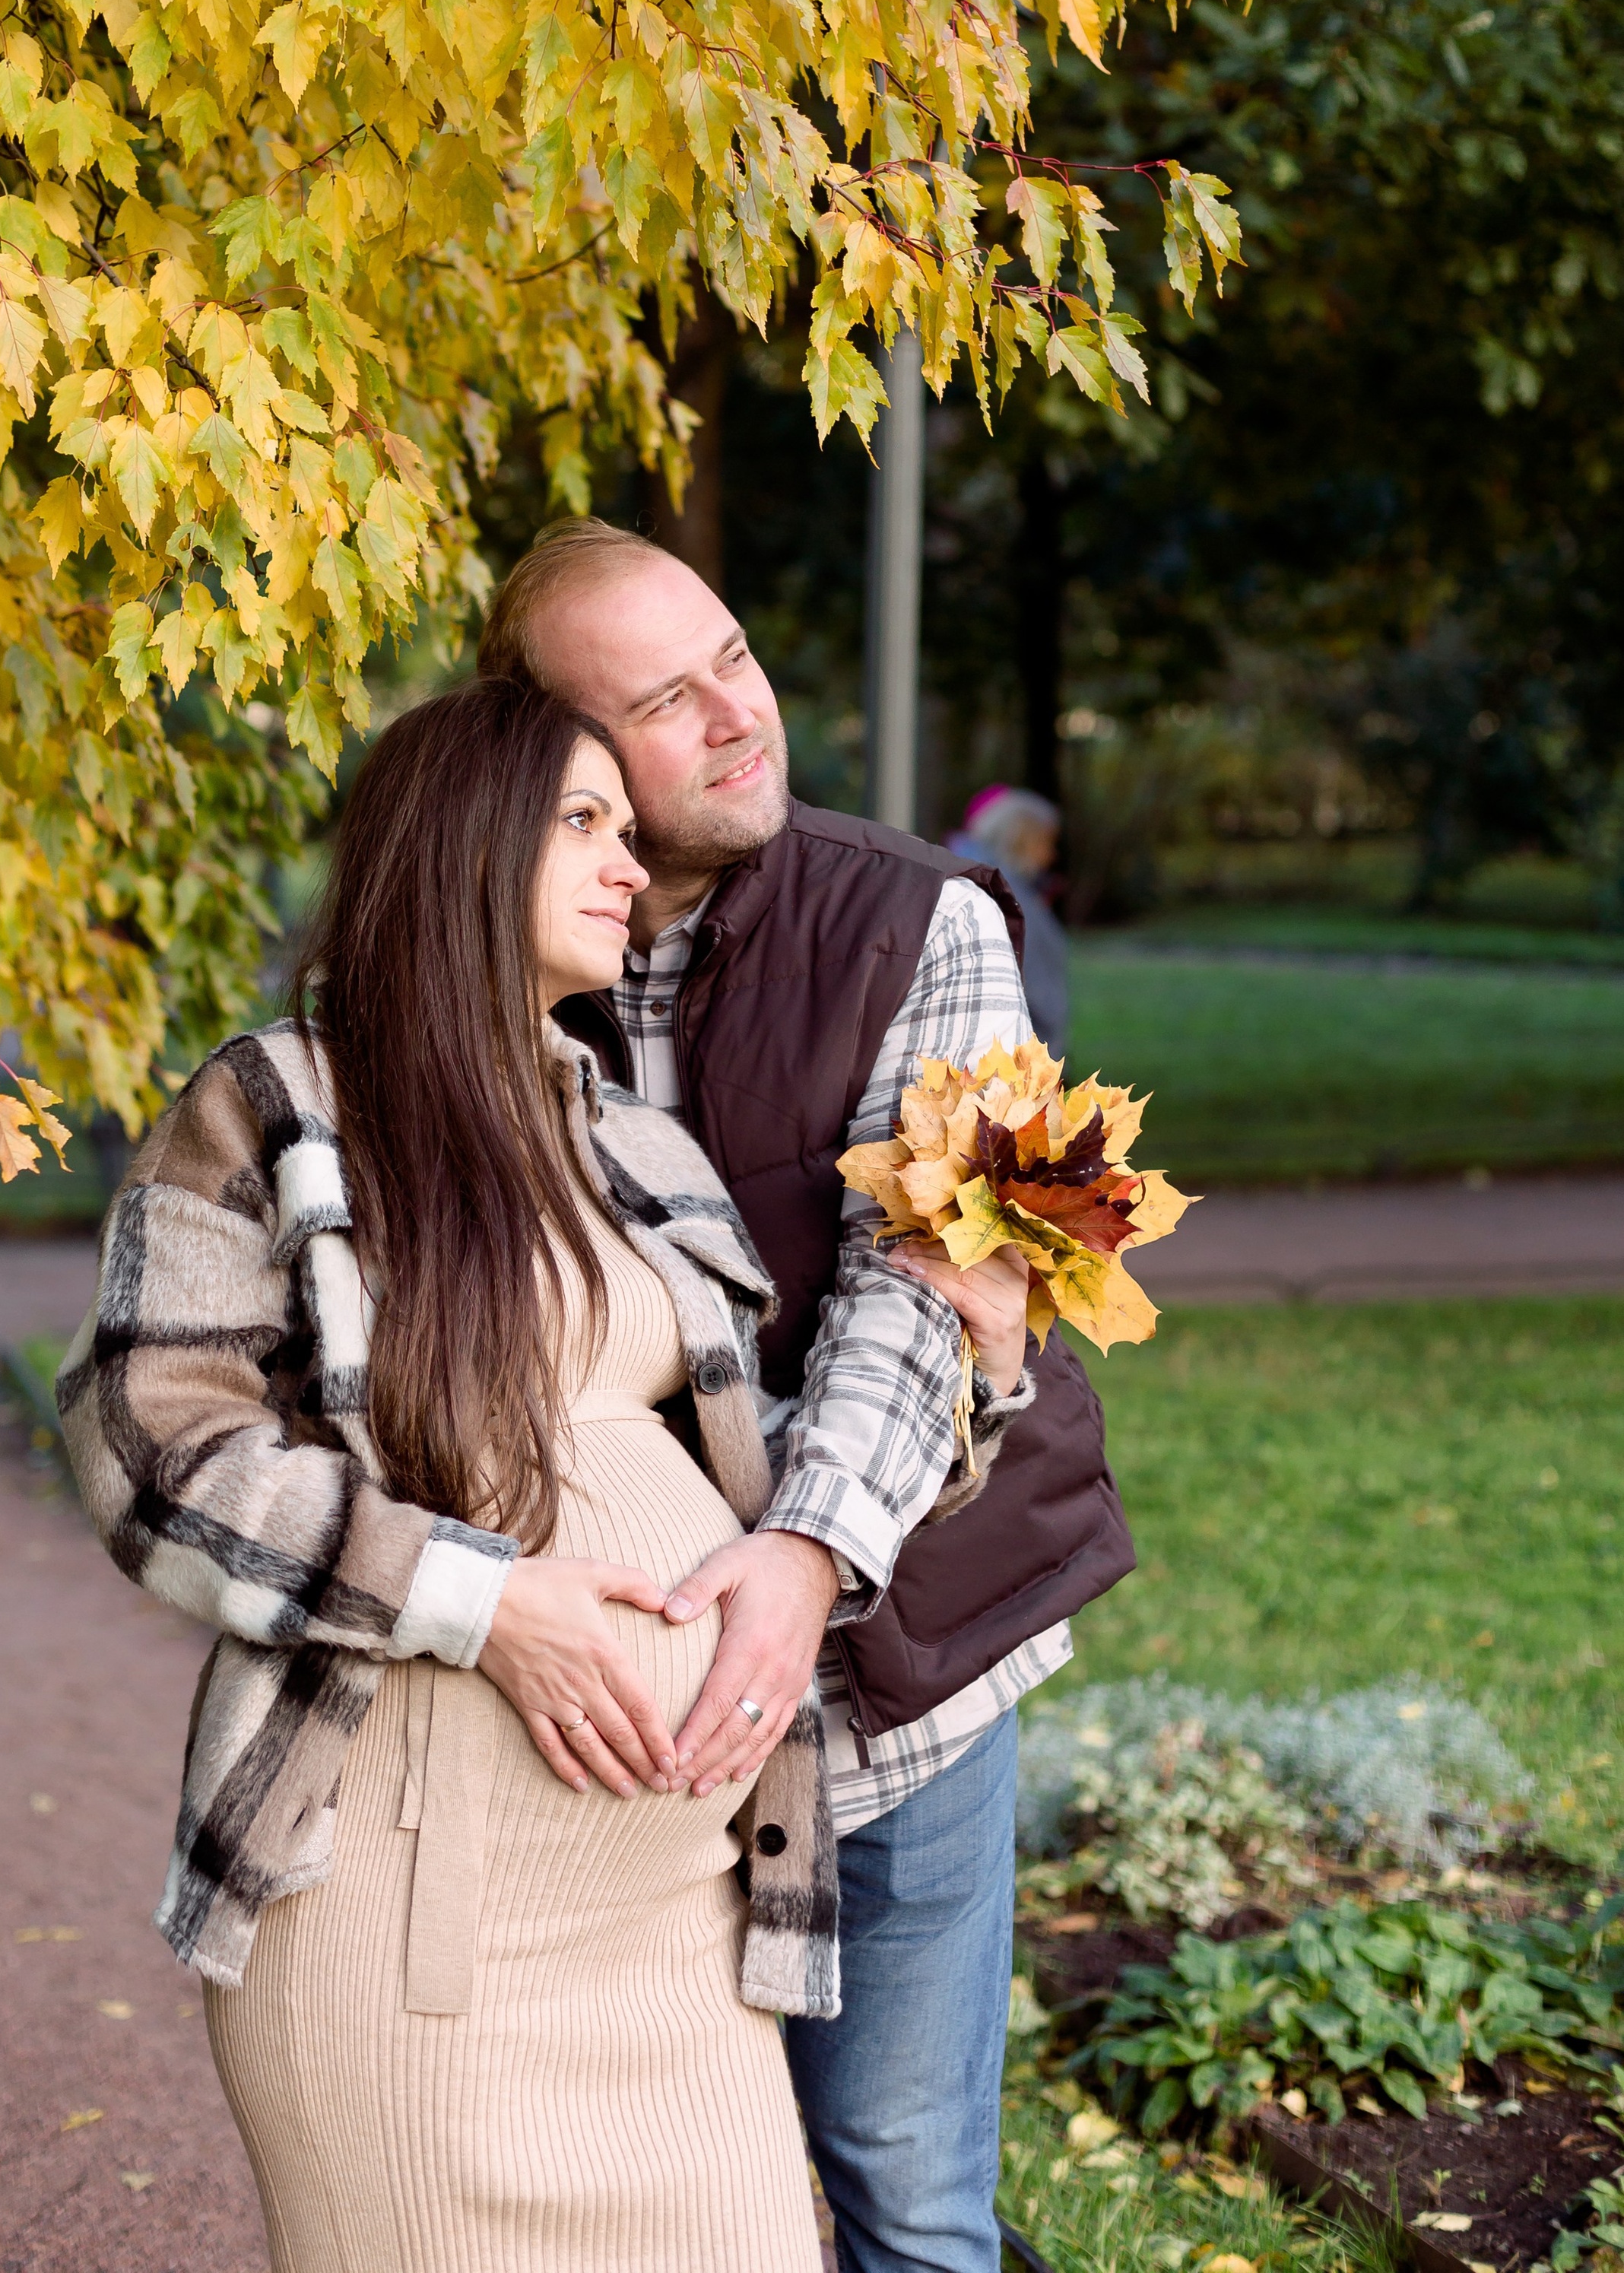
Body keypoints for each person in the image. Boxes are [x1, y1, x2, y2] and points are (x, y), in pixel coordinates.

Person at [60, 677, 902, 2273]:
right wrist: (478, 1601)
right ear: (460, 848)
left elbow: (752, 1462)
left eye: (628, 834)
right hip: (407, 1930)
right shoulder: (280, 1108)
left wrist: (973, 1347)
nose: (627, 870)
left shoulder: (634, 1144)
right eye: (581, 824)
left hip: (679, 1937)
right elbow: (147, 1441)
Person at [478, 522, 1135, 2273]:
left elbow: (922, 1299)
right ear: (548, 758)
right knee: (684, 2199)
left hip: (899, 1653)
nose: (732, 715)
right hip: (626, 1699)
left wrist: (799, 1562)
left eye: (733, 660)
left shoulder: (925, 917)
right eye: (659, 701)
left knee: (902, 2192)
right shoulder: (481, 958)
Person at [947, 784, 1069, 1056]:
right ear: (1020, 839)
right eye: (1046, 842)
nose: (1051, 856)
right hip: (1009, 1059)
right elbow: (1037, 989)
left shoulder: (965, 878)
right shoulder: (1006, 897)